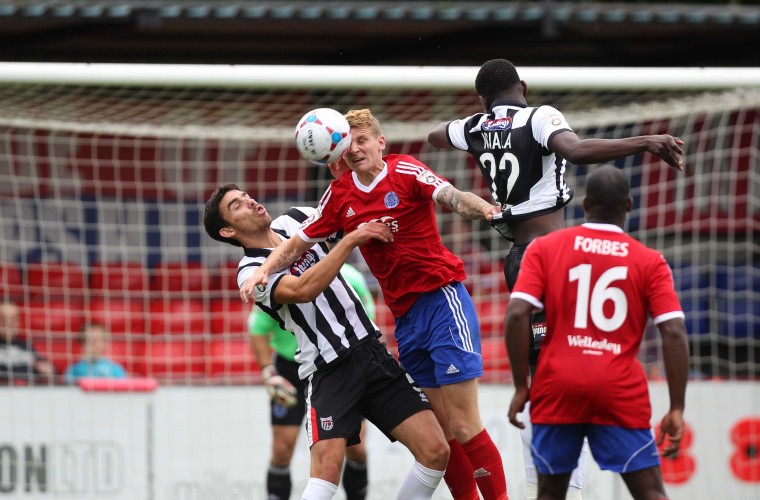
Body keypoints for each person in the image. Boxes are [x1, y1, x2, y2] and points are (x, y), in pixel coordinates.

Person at [428, 58, 685, 499]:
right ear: (523, 86)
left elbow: (436, 135)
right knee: (562, 376)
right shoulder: (541, 116)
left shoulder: (473, 125)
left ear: (482, 98)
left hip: (516, 259)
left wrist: (478, 128)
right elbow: (575, 150)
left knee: (542, 380)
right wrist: (647, 141)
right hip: (551, 256)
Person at [243, 109, 508, 500]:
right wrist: (264, 269)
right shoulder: (340, 196)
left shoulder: (405, 171)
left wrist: (486, 209)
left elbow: (452, 197)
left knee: (464, 424)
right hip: (405, 319)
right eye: (349, 144)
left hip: (441, 299)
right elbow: (297, 244)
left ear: (380, 142)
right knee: (444, 434)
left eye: (363, 140)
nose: (356, 150)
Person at [204, 184, 450, 500]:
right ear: (227, 231)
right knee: (326, 476)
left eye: (246, 196)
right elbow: (303, 289)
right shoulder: (249, 273)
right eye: (236, 205)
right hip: (329, 368)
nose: (249, 201)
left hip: (371, 350)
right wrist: (349, 242)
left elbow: (346, 217)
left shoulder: (298, 218)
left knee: (435, 451)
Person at [504, 165, 690, 500]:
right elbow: (674, 331)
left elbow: (517, 315)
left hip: (558, 386)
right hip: (618, 389)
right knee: (650, 492)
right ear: (629, 205)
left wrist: (521, 385)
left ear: (585, 204)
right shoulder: (650, 262)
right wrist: (676, 407)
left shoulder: (547, 248)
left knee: (549, 493)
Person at [250, 262, 375, 500]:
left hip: (339, 367)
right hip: (290, 369)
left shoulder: (350, 277)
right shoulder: (276, 282)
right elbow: (257, 329)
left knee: (356, 448)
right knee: (282, 448)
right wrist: (269, 372)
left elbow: (366, 322)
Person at [0, 301, 56, 385]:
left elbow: (51, 370)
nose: (8, 323)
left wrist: (49, 370)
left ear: (19, 321)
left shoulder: (27, 347)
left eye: (13, 319)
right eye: (4, 319)